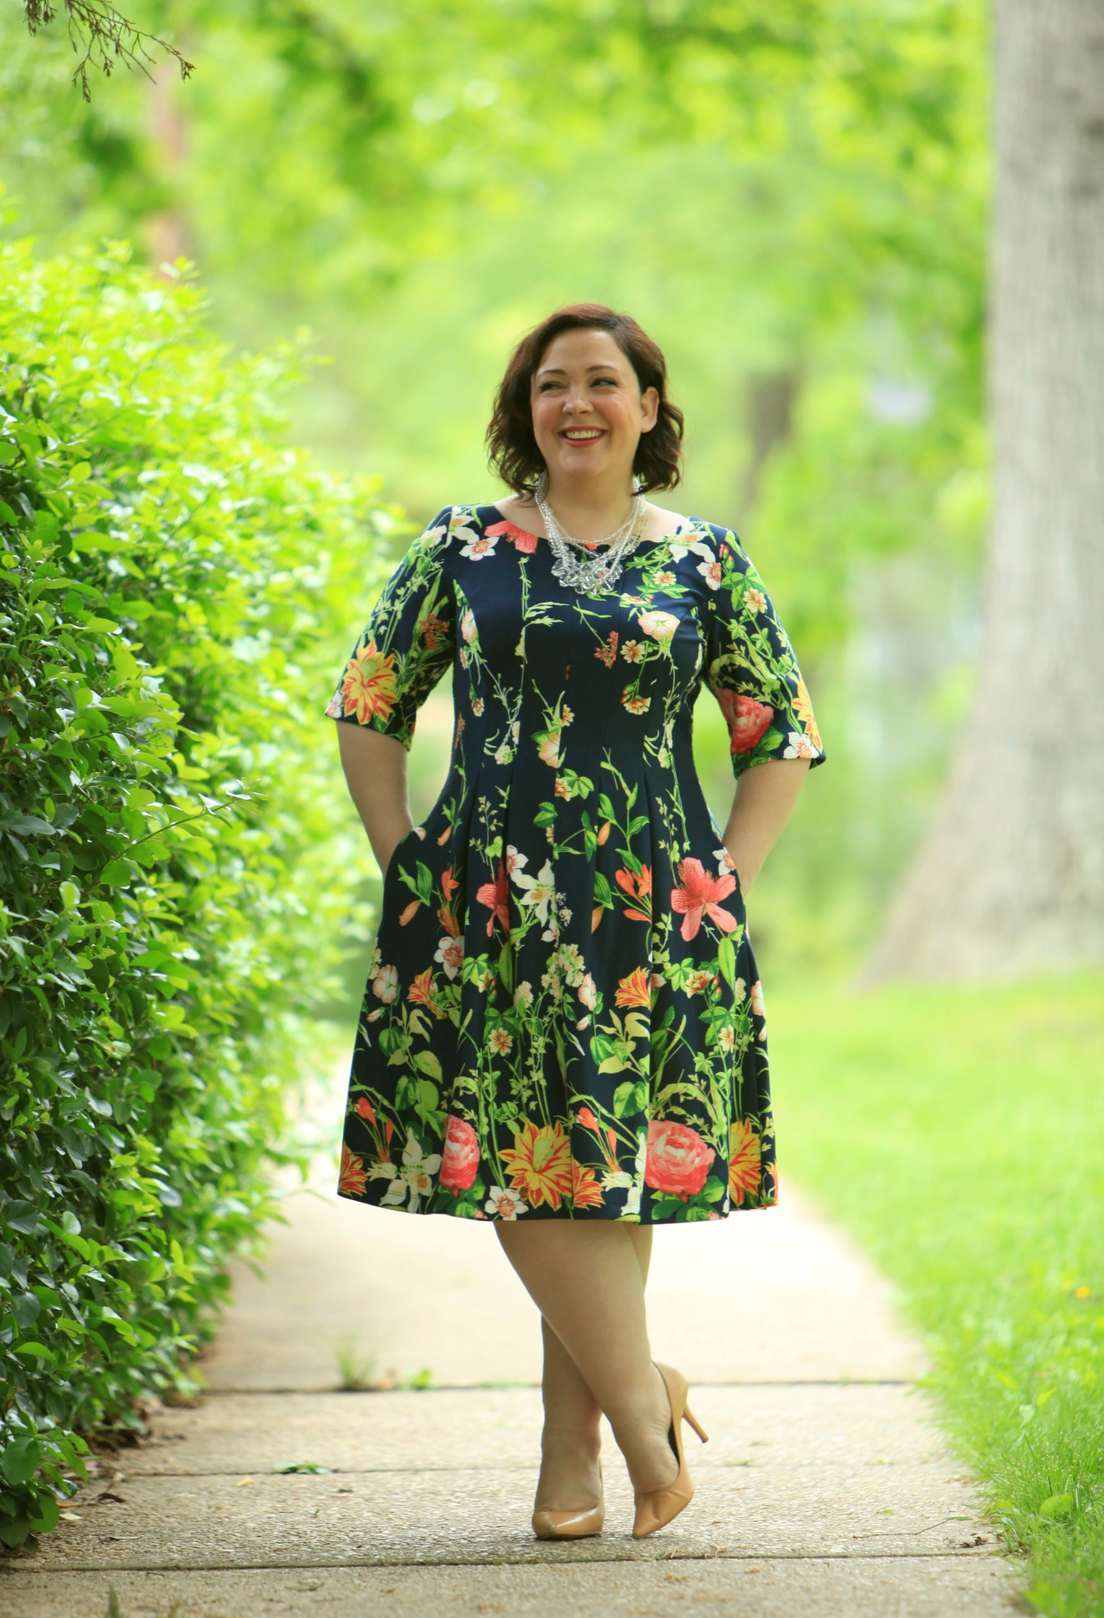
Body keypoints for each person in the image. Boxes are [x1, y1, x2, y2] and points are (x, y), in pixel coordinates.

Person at [323, 303, 827, 1541]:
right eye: (555, 385)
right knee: (520, 1167)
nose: (580, 404)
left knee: (601, 1173)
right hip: (485, 905)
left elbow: (780, 732)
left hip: (650, 908)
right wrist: (405, 863)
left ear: (650, 408)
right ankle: (643, 1419)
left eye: (606, 382)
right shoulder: (463, 547)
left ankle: (572, 1459)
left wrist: (728, 879)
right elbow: (368, 703)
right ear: (525, 411)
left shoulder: (703, 560)